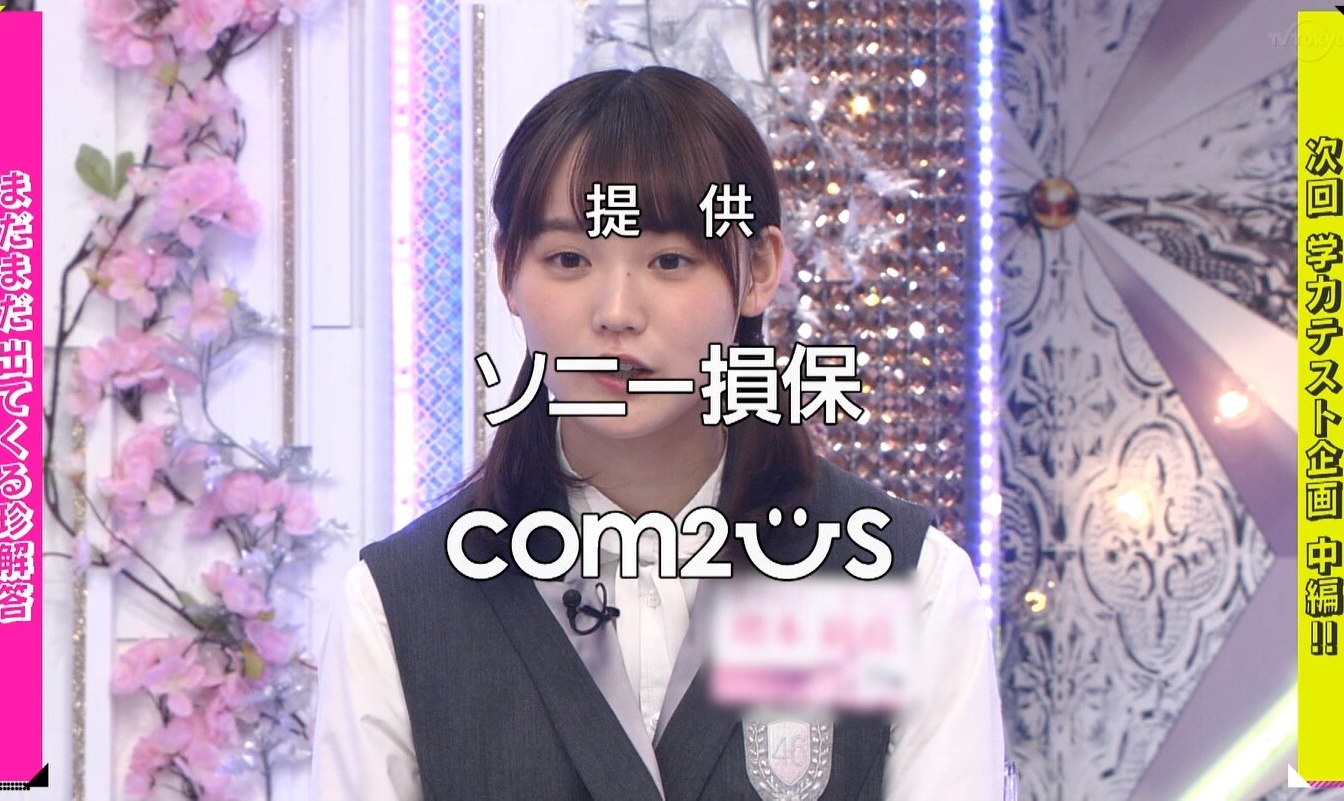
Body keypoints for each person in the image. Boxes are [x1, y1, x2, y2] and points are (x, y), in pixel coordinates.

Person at [312, 66, 1004, 800]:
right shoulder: (402, 605)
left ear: (758, 270)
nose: (616, 312)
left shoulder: (904, 580)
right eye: (569, 260)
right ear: (508, 271)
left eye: (669, 260)